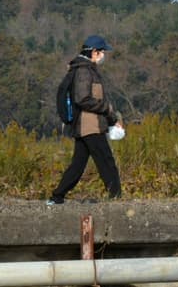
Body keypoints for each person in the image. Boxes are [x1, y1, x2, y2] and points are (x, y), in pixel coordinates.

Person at [47, 35, 123, 203]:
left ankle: (57, 196)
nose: (104, 55)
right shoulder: (84, 71)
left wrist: (111, 119)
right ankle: (116, 197)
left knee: (78, 164)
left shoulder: (84, 69)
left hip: (87, 125)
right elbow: (82, 98)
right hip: (90, 125)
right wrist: (107, 109)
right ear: (94, 52)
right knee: (106, 161)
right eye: (102, 52)